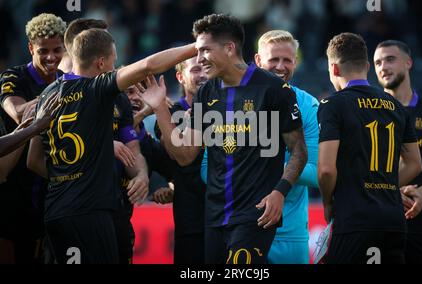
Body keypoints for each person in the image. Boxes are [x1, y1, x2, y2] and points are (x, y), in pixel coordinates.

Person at [139, 14, 307, 264]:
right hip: (214, 216)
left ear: (229, 48)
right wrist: (160, 108)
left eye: (205, 50)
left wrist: (280, 192)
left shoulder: (273, 89)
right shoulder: (207, 92)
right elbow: (185, 156)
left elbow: (299, 151)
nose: (200, 58)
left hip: (254, 214)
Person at [26, 28, 196, 264]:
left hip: (56, 210)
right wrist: (198, 47)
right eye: (114, 62)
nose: (115, 68)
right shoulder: (96, 88)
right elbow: (148, 66)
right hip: (89, 211)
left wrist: (68, 177)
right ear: (101, 62)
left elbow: (33, 160)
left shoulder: (46, 96)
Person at [200, 30, 319, 264]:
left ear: (296, 61)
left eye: (287, 60)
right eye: (274, 59)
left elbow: (315, 172)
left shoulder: (308, 105)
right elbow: (206, 167)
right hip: (237, 223)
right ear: (257, 61)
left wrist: (261, 167)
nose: (280, 66)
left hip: (290, 235)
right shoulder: (226, 98)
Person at [317, 32, 422, 264]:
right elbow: (415, 163)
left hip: (353, 219)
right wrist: (382, 185)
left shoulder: (333, 104)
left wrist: (327, 202)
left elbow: (326, 169)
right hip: (393, 220)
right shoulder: (395, 105)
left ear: (334, 69)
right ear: (366, 66)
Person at [61, 18, 149, 264]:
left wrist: (141, 175)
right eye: (110, 55)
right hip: (74, 208)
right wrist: (102, 146)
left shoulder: (116, 98)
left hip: (115, 209)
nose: (114, 62)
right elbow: (41, 156)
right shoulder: (56, 95)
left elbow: (133, 148)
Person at [374, 40, 422, 264]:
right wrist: (389, 191)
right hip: (378, 224)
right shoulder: (369, 112)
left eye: (390, 59)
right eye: (377, 62)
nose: (383, 67)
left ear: (408, 62)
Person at [0, 13, 66, 264]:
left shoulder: (66, 82)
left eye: (57, 50)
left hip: (48, 186)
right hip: (10, 185)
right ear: (30, 48)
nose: (51, 57)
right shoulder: (13, 77)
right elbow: (17, 113)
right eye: (43, 51)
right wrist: (54, 96)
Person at [153, 56, 208, 264]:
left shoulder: (227, 110)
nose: (202, 74)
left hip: (225, 215)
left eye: (206, 68)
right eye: (195, 70)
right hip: (191, 220)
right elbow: (176, 155)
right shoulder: (169, 114)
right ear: (180, 77)